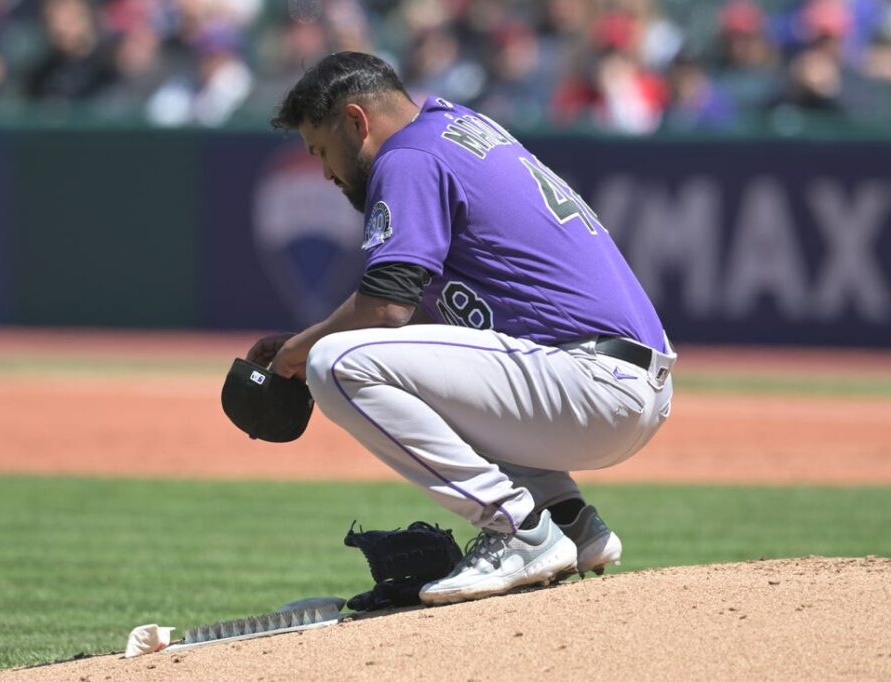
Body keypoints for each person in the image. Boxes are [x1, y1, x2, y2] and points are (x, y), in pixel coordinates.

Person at [251, 51, 675, 605]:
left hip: (590, 380)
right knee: (420, 364)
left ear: (356, 121)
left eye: (322, 150)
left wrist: (297, 351)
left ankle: (518, 529)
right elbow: (420, 323)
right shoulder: (456, 127)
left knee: (335, 363)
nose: (326, 172)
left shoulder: (405, 157)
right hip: (619, 380)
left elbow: (384, 309)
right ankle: (563, 516)